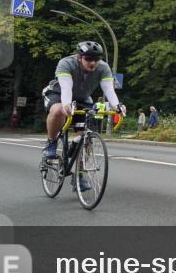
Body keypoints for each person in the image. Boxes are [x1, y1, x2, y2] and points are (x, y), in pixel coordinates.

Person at [41, 42, 125, 189]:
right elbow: (66, 88)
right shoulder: (66, 63)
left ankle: (79, 175)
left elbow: (109, 90)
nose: (93, 63)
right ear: (80, 57)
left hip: (82, 99)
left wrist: (117, 106)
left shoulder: (103, 67)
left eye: (96, 59)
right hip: (58, 94)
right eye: (88, 59)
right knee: (58, 110)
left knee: (86, 137)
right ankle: (51, 142)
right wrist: (67, 104)